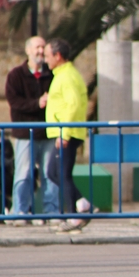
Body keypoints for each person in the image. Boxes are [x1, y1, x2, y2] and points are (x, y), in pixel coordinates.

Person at [5, 36, 59, 225]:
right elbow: (15, 102)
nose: (40, 51)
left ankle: (51, 211)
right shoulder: (15, 75)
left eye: (43, 48)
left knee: (49, 174)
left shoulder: (51, 74)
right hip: (25, 133)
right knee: (23, 173)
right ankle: (20, 211)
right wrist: (38, 103)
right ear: (28, 50)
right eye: (37, 47)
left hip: (48, 133)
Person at [43, 38, 90, 233]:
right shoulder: (62, 74)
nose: (45, 60)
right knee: (56, 173)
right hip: (63, 132)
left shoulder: (67, 76)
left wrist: (64, 132)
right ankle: (81, 204)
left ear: (57, 56)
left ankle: (75, 214)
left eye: (47, 56)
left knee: (60, 173)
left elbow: (72, 105)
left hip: (66, 133)